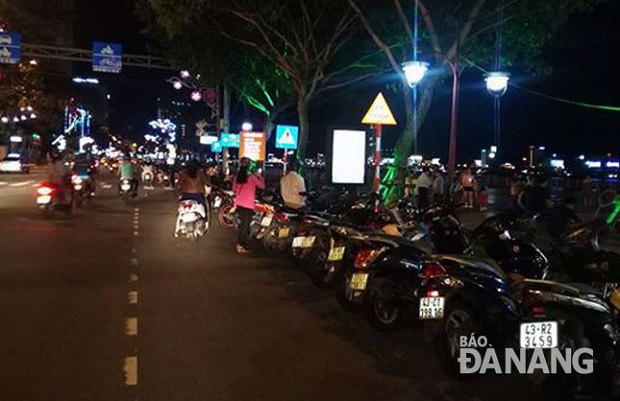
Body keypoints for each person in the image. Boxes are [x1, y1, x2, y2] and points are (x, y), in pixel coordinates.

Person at [233, 158, 265, 254]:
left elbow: (234, 188)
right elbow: (262, 186)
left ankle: (242, 243)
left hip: (239, 203)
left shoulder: (237, 176)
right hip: (247, 205)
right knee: (245, 226)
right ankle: (240, 245)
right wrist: (260, 176)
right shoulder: (251, 177)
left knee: (243, 225)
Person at [174, 160, 210, 236]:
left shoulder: (183, 173)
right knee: (206, 207)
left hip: (185, 196)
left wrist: (179, 195)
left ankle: (176, 229)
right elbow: (207, 183)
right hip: (198, 197)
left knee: (179, 213)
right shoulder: (200, 173)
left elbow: (177, 186)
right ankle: (206, 222)